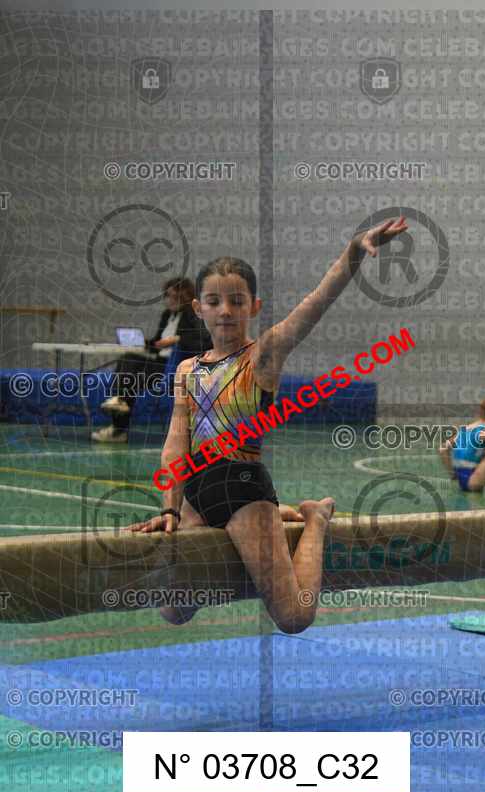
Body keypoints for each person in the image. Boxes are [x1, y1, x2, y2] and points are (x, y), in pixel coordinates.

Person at [130, 216, 409, 634]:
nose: (226, 310)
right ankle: (279, 514)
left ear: (254, 307)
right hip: (196, 493)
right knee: (174, 610)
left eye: (237, 301)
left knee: (294, 616)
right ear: (198, 308)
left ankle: (315, 517)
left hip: (242, 489)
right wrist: (169, 507)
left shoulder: (263, 355)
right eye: (214, 301)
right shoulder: (187, 370)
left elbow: (316, 302)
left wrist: (353, 253)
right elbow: (176, 442)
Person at [92, 277, 212, 443]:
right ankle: (120, 404)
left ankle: (118, 426)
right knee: (128, 361)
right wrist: (141, 343)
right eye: (166, 296)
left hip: (175, 367)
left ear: (183, 296)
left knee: (131, 375)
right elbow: (158, 343)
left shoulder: (192, 314)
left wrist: (177, 339)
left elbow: (204, 341)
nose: (168, 300)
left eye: (172, 296)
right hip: (159, 361)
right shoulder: (167, 315)